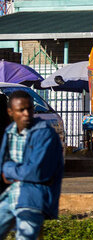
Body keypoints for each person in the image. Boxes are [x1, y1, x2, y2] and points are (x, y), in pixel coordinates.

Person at [0, 90, 63, 240]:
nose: (26, 114)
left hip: (33, 198)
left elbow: (36, 172)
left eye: (29, 109)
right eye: (21, 110)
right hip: (11, 196)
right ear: (10, 112)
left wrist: (8, 170)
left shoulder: (45, 134)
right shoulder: (10, 132)